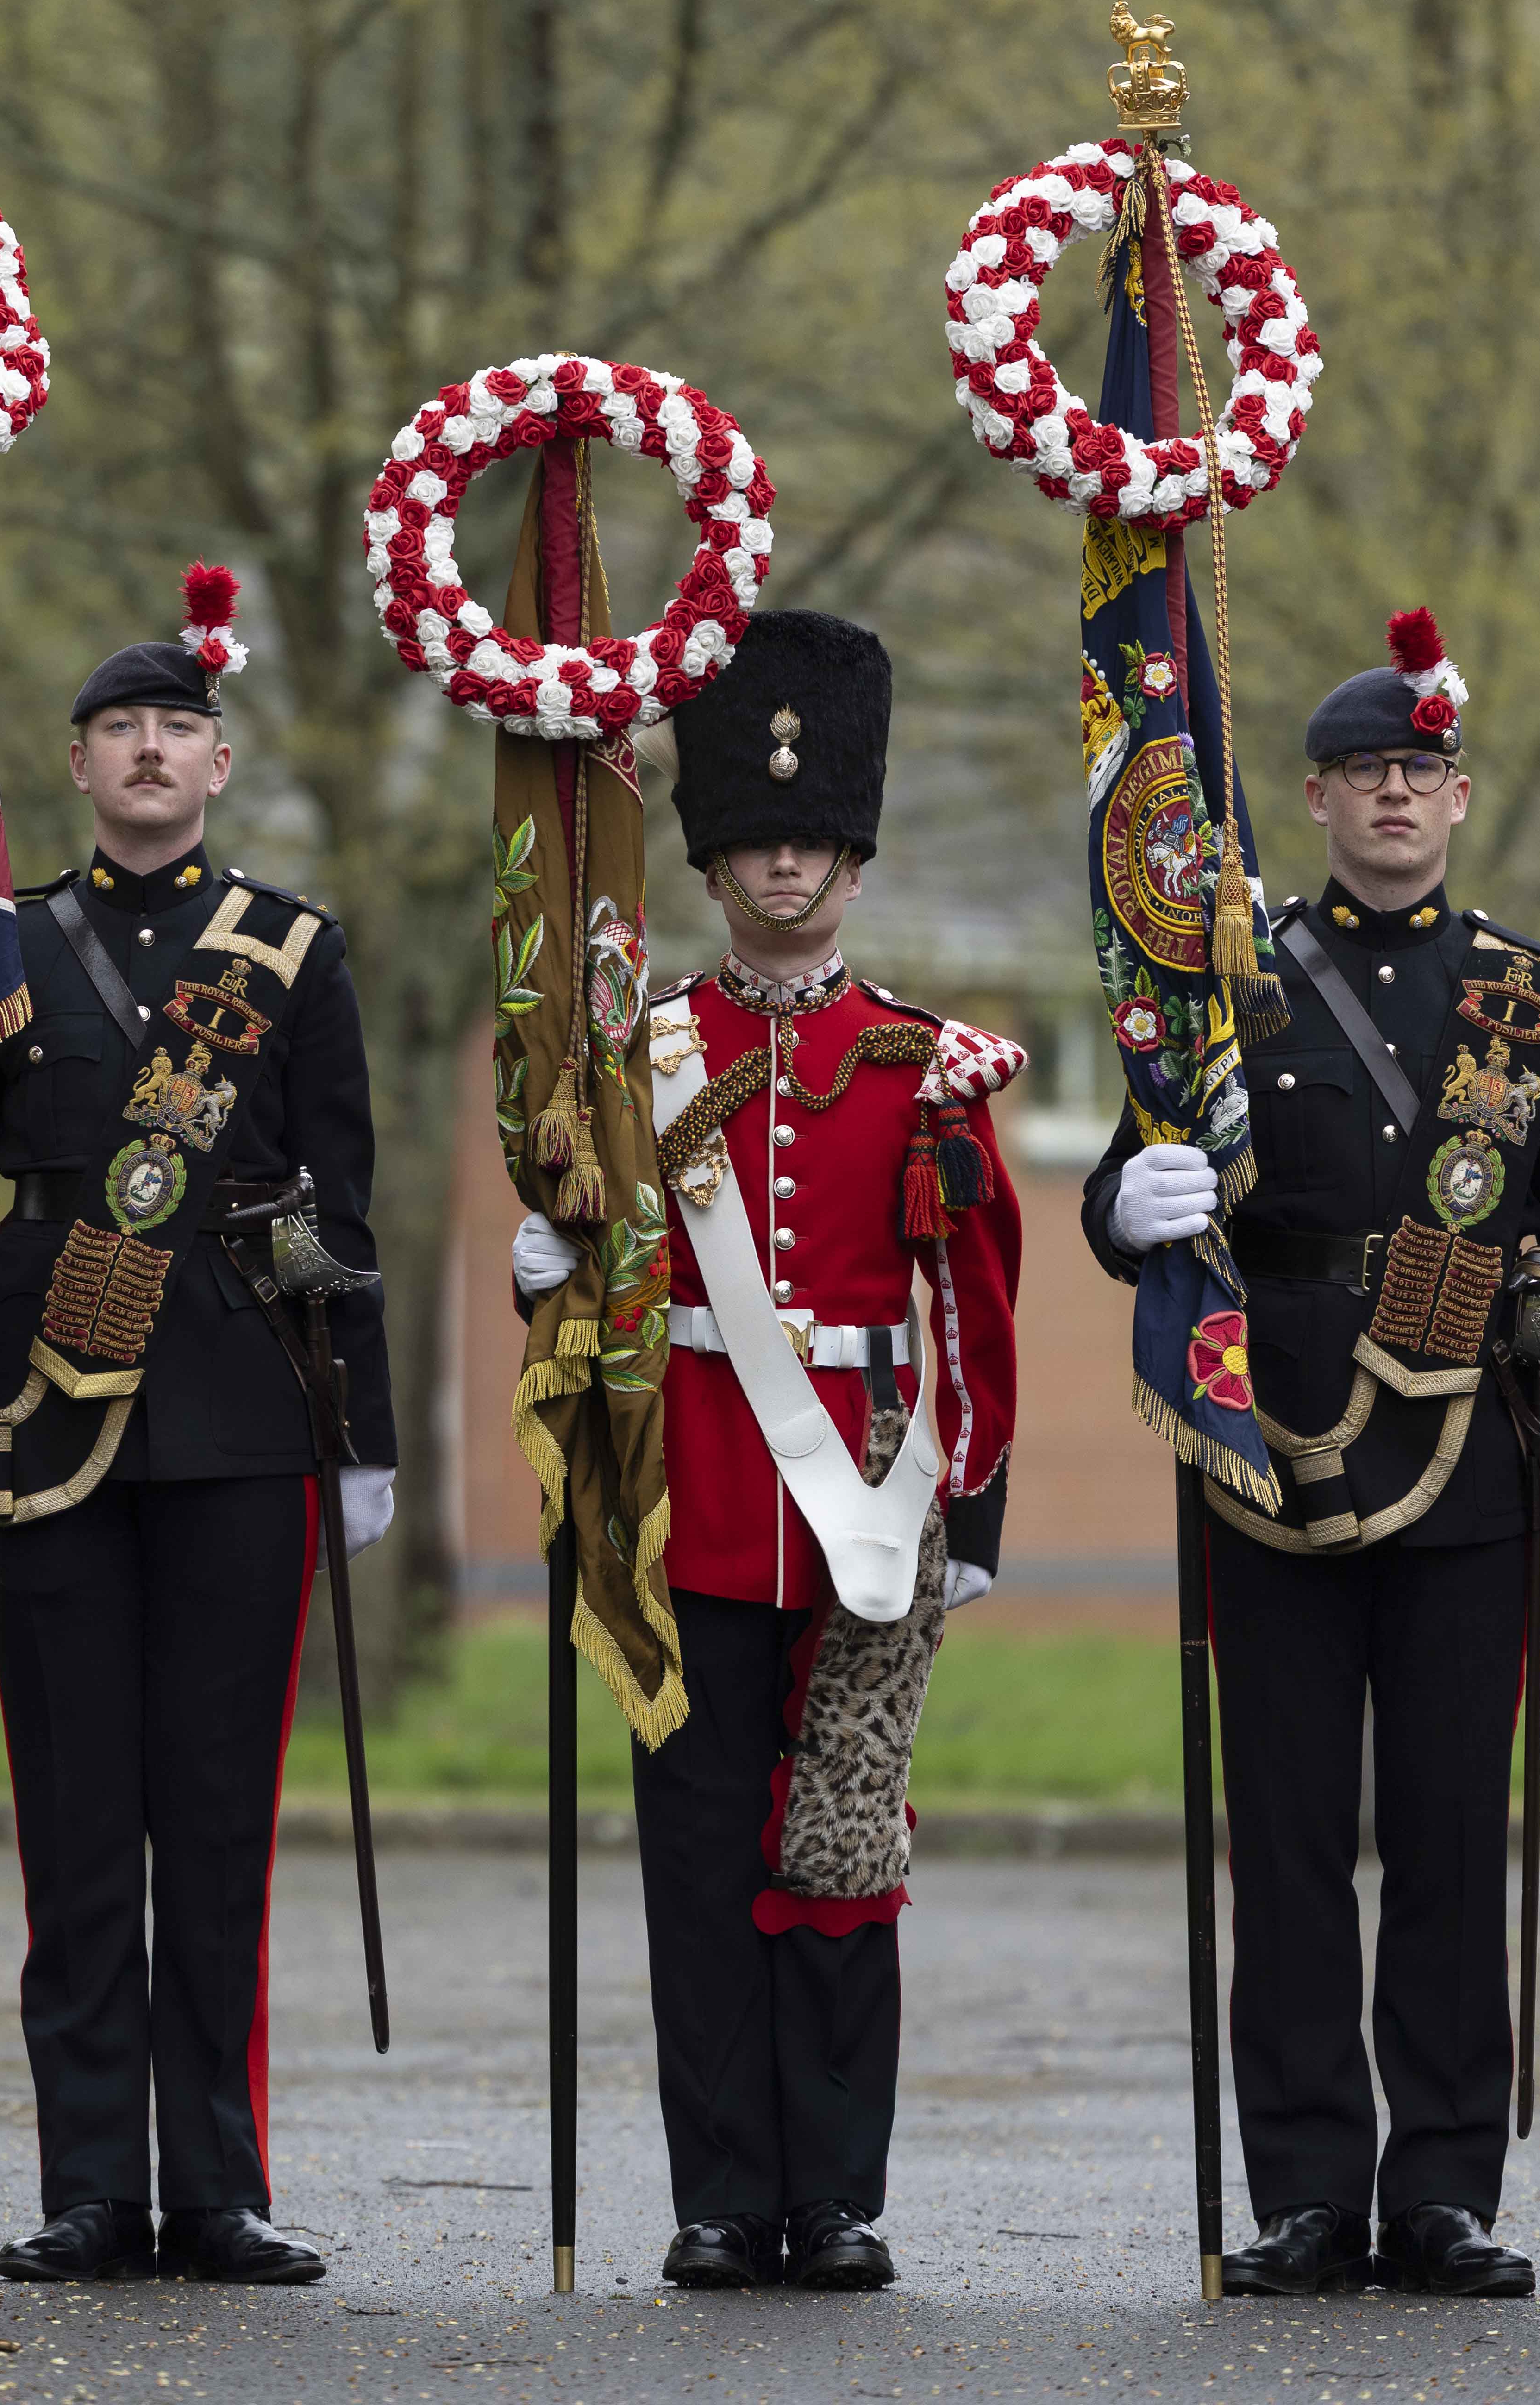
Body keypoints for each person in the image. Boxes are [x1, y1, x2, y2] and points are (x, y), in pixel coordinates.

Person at [0, 565, 392, 2289]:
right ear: (74, 767)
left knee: (219, 1817)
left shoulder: (293, 953)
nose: (150, 754)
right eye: (118, 731)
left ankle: (214, 2189)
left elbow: (340, 1201)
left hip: (242, 1417)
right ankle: (91, 2182)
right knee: (78, 1818)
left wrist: (357, 1429)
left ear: (220, 764)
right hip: (44, 1414)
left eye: (178, 729)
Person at [1081, 608, 1540, 2300]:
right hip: (1270, 1447)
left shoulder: (1536, 1003)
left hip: (1470, 1461)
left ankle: (1444, 2186)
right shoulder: (1225, 984)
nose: (1394, 798)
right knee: (1296, 1836)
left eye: (1421, 772)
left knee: (1451, 1834)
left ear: (1459, 797)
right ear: (1312, 799)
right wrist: (1123, 1206)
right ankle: (1311, 2184)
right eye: (1363, 774)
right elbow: (1131, 1183)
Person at [507, 606, 1023, 2296]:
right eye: (752, 841)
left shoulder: (928, 1066)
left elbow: (980, 1303)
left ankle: (839, 2196)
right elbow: (609, 1275)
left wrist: (975, 1509)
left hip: (866, 1497)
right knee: (700, 1850)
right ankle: (723, 2196)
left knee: (850, 1847)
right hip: (697, 1502)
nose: (783, 867)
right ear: (714, 865)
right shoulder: (637, 1056)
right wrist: (554, 1276)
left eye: (811, 841)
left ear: (851, 866)